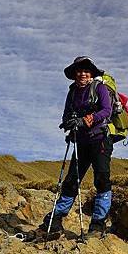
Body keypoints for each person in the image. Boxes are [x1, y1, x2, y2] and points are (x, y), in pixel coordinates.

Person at [40, 56, 113, 239]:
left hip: (100, 140)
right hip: (81, 143)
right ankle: (55, 221)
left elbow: (106, 110)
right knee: (72, 181)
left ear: (91, 73)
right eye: (79, 70)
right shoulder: (72, 92)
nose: (82, 73)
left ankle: (98, 225)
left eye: (86, 71)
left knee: (102, 179)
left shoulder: (99, 88)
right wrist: (68, 124)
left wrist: (87, 119)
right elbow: (66, 114)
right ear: (74, 74)